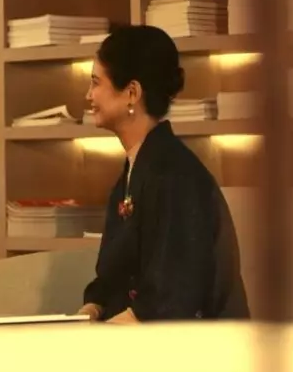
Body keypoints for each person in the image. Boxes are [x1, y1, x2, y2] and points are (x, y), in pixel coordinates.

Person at [76, 25, 250, 324]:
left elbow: (171, 297)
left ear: (132, 93)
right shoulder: (134, 174)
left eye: (96, 82)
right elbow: (114, 277)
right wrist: (93, 308)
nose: (88, 95)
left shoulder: (176, 178)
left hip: (198, 346)